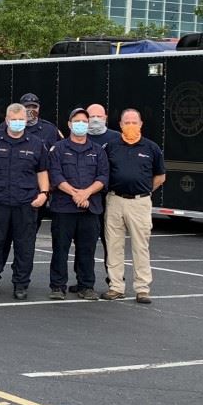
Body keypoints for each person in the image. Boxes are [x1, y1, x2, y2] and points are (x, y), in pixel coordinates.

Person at [0, 103, 51, 300]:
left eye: (21, 119)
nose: (17, 123)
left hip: (25, 203)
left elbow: (42, 171)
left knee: (25, 246)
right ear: (7, 120)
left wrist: (43, 193)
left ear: (26, 120)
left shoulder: (35, 143)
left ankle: (21, 284)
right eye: (14, 119)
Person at [103, 109, 166, 304]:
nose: (130, 125)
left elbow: (160, 176)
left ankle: (142, 288)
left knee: (141, 246)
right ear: (120, 125)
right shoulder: (111, 147)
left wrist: (144, 191)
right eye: (126, 122)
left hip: (140, 202)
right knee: (114, 245)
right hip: (115, 200)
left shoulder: (151, 148)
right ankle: (115, 287)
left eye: (134, 122)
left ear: (141, 124)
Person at [48, 107, 109, 301]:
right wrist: (75, 193)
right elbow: (55, 174)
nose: (81, 125)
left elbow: (103, 176)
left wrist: (86, 193)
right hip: (64, 207)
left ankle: (86, 286)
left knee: (87, 250)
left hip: (89, 208)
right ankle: (58, 286)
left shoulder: (98, 151)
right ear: (69, 124)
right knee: (60, 249)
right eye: (77, 121)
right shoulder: (58, 149)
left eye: (84, 121)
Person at [85, 101, 122, 281]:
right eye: (92, 116)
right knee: (86, 242)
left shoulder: (117, 138)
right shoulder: (80, 137)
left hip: (110, 197)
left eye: (99, 116)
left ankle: (114, 278)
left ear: (106, 118)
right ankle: (84, 280)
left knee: (111, 240)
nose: (96, 120)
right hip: (87, 198)